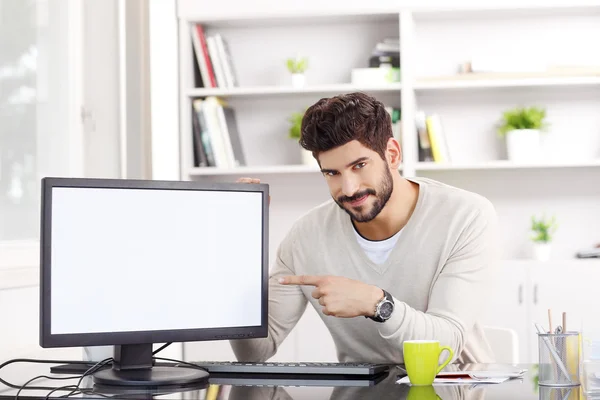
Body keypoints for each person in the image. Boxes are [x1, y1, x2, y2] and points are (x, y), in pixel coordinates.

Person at [232, 92, 498, 364]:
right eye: (332, 173)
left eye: (359, 166)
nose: (348, 188)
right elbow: (255, 351)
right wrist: (241, 248)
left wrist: (376, 303)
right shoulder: (305, 237)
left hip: (453, 388)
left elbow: (446, 344)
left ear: (392, 154)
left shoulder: (464, 215)